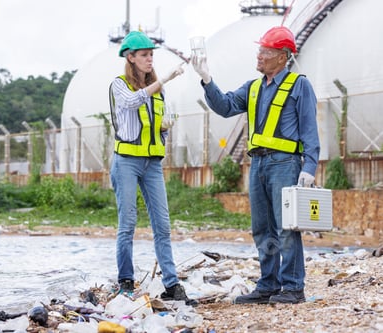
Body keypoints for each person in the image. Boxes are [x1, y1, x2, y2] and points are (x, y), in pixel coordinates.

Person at [192, 26, 320, 304]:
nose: (259, 55)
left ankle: (293, 287)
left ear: (283, 56)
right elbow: (225, 106)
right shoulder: (252, 88)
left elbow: (310, 130)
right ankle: (268, 285)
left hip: (285, 164)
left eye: (265, 51)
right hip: (258, 165)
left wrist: (309, 167)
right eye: (260, 49)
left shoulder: (300, 85)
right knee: (262, 228)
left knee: (287, 227)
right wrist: (206, 79)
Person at [109, 30, 197, 306]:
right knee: (128, 223)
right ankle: (125, 281)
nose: (149, 59)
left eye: (151, 55)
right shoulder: (119, 84)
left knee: (163, 225)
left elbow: (159, 120)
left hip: (153, 163)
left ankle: (171, 284)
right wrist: (164, 79)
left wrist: (163, 130)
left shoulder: (159, 90)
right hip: (126, 161)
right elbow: (132, 102)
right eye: (144, 55)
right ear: (130, 57)